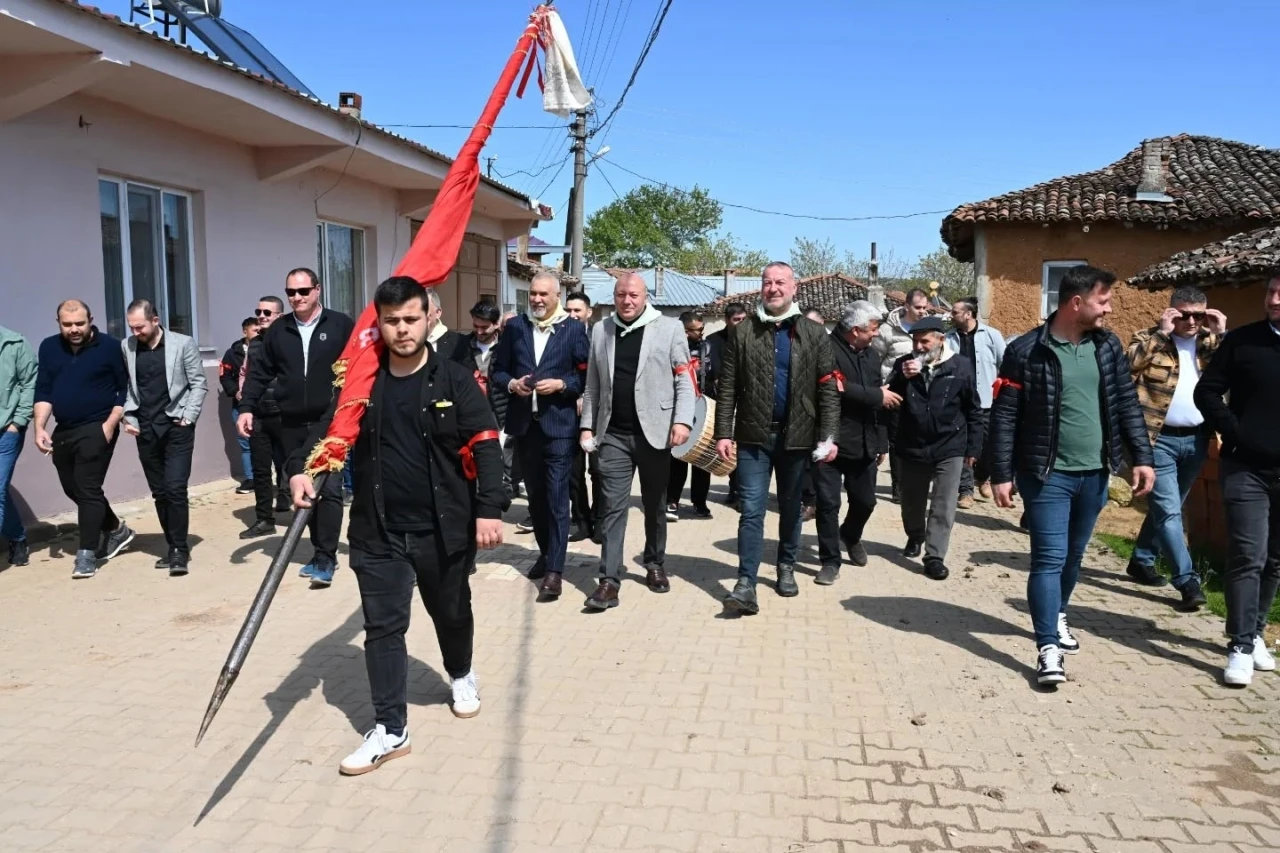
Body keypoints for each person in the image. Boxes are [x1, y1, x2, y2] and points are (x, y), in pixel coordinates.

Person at [288, 276, 504, 775]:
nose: (402, 329)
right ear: (378, 324)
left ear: (429, 318)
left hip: (443, 529)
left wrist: (489, 509)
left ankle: (460, 672)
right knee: (383, 629)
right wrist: (301, 468)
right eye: (392, 321)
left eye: (411, 319)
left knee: (451, 612)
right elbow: (327, 429)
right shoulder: (362, 382)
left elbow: (487, 444)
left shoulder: (454, 379)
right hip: (378, 531)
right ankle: (390, 729)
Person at [990, 266, 1154, 686]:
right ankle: (1047, 647)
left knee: (1074, 556)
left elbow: (1126, 403)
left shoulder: (1108, 346)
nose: (1109, 309)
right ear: (1076, 303)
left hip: (1096, 472)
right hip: (1046, 474)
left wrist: (1142, 456)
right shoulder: (1026, 351)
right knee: (1049, 558)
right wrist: (1001, 472)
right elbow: (1005, 416)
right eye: (1103, 300)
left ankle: (1058, 613)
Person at [713, 262, 840, 614]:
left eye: (780, 282)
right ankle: (746, 582)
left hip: (798, 437)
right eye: (767, 282)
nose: (773, 288)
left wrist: (828, 437)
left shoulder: (814, 333)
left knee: (790, 508)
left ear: (794, 288)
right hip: (754, 437)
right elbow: (728, 387)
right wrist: (723, 432)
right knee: (751, 510)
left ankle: (786, 566)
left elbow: (828, 388)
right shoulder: (744, 331)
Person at [580, 274, 694, 610]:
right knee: (612, 507)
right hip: (613, 434)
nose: (627, 301)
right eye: (621, 295)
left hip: (655, 433)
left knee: (654, 504)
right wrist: (587, 427)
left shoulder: (669, 329)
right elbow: (592, 385)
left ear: (645, 296)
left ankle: (654, 563)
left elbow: (684, 379)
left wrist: (682, 420)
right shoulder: (601, 330)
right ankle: (609, 580)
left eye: (633, 295)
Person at [239, 269, 355, 587]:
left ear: (317, 290)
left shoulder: (340, 325)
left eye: (303, 291)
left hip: (330, 421)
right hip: (290, 422)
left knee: (328, 489)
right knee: (302, 488)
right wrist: (246, 408)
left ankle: (326, 557)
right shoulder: (279, 330)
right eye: (291, 292)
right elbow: (259, 373)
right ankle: (319, 552)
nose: (297, 297)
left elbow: (355, 368)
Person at [1194, 276, 1280, 687]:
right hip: (1246, 468)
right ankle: (1241, 646)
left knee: (1274, 560)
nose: (1274, 300)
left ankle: (1257, 632)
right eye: (1271, 292)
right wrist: (1235, 430)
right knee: (1248, 555)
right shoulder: (1243, 341)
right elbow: (1207, 392)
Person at [1126, 286, 1225, 611]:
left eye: (1199, 315)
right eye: (1184, 315)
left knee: (1169, 506)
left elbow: (1236, 372)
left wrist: (1222, 334)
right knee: (1169, 511)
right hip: (1157, 440)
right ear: (1171, 312)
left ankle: (1142, 559)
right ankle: (1187, 581)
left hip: (1197, 439)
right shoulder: (1149, 338)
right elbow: (1127, 368)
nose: (1192, 321)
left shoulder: (1211, 344)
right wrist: (1161, 333)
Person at [491, 272, 589, 599]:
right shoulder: (516, 327)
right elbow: (498, 370)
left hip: (558, 426)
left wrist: (562, 385)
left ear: (557, 296)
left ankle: (555, 571)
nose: (536, 299)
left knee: (557, 497)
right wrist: (512, 384)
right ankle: (547, 554)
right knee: (536, 498)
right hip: (525, 426)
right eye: (533, 293)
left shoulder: (573, 329)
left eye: (543, 294)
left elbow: (585, 376)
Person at [32, 300, 133, 579]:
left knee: (87, 487)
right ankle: (116, 529)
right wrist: (39, 427)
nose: (74, 329)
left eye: (79, 323)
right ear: (58, 323)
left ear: (91, 320)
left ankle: (86, 553)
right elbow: (44, 389)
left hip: (97, 425)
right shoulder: (49, 347)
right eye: (67, 325)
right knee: (72, 487)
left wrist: (110, 424)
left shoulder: (110, 347)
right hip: (64, 427)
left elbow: (124, 389)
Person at [888, 316, 982, 581]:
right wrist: (902, 378)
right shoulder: (903, 364)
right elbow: (890, 399)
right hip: (913, 444)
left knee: (944, 503)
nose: (918, 347)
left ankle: (934, 556)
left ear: (941, 340)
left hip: (950, 444)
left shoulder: (961, 366)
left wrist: (973, 448)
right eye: (915, 341)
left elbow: (973, 408)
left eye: (924, 341)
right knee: (912, 501)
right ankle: (915, 535)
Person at [813, 301, 898, 585]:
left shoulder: (871, 355)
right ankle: (829, 561)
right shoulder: (826, 350)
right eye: (873, 329)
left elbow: (879, 401)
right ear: (855, 330)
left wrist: (882, 442)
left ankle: (850, 534)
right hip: (829, 440)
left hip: (864, 441)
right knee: (828, 504)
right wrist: (876, 396)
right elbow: (834, 388)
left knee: (866, 501)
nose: (876, 333)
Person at [120, 299, 208, 575]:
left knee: (175, 488)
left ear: (155, 320)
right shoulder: (127, 346)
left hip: (176, 426)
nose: (136, 333)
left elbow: (198, 383)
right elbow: (129, 386)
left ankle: (180, 550)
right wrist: (128, 416)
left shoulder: (183, 344)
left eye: (140, 327)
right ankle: (172, 546)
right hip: (145, 429)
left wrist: (188, 417)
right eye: (132, 328)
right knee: (159, 492)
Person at [946, 297, 1005, 508]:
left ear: (968, 314)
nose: (951, 315)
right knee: (963, 445)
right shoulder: (948, 338)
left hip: (987, 401)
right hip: (959, 401)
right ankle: (966, 490)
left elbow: (1005, 364)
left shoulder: (992, 335)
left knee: (988, 444)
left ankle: (983, 476)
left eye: (955, 312)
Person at [876, 288, 933, 503]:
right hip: (896, 392)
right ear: (907, 306)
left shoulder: (930, 327)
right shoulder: (887, 330)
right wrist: (881, 389)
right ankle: (899, 487)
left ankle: (918, 482)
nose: (922, 311)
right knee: (896, 440)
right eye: (918, 307)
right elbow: (875, 359)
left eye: (925, 307)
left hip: (922, 393)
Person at [239, 296, 290, 536]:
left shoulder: (291, 340)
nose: (261, 316)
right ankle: (264, 519)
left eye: (267, 313)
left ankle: (305, 515)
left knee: (294, 465)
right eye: (259, 312)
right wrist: (245, 408)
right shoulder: (255, 343)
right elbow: (249, 377)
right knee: (260, 470)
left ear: (280, 316)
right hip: (260, 414)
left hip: (287, 414)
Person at [667, 311, 713, 520]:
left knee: (702, 459)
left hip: (703, 408)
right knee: (677, 459)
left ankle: (700, 502)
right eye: (698, 330)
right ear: (685, 331)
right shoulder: (670, 349)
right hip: (677, 410)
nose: (702, 333)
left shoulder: (708, 348)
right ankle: (672, 501)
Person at [0, 324, 37, 568]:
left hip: (7, 431)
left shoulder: (15, 343)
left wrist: (18, 423)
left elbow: (30, 383)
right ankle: (17, 537)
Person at [565, 291, 600, 541]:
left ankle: (600, 521)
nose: (572, 315)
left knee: (599, 471)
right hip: (568, 414)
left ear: (588, 312)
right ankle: (582, 522)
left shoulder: (601, 336)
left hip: (597, 415)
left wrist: (586, 397)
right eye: (568, 310)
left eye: (577, 310)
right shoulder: (559, 337)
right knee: (573, 473)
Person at [706, 302, 747, 506]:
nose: (741, 323)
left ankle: (740, 492)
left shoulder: (752, 339)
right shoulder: (713, 341)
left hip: (746, 401)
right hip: (722, 402)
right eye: (736, 320)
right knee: (728, 447)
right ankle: (734, 488)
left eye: (744, 319)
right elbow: (712, 372)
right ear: (727, 320)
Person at [220, 317, 259, 493]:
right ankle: (250, 479)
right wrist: (235, 391)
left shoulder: (266, 348)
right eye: (254, 330)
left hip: (262, 404)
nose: (258, 333)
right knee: (245, 443)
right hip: (241, 404)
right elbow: (225, 376)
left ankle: (273, 480)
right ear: (245, 331)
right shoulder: (232, 353)